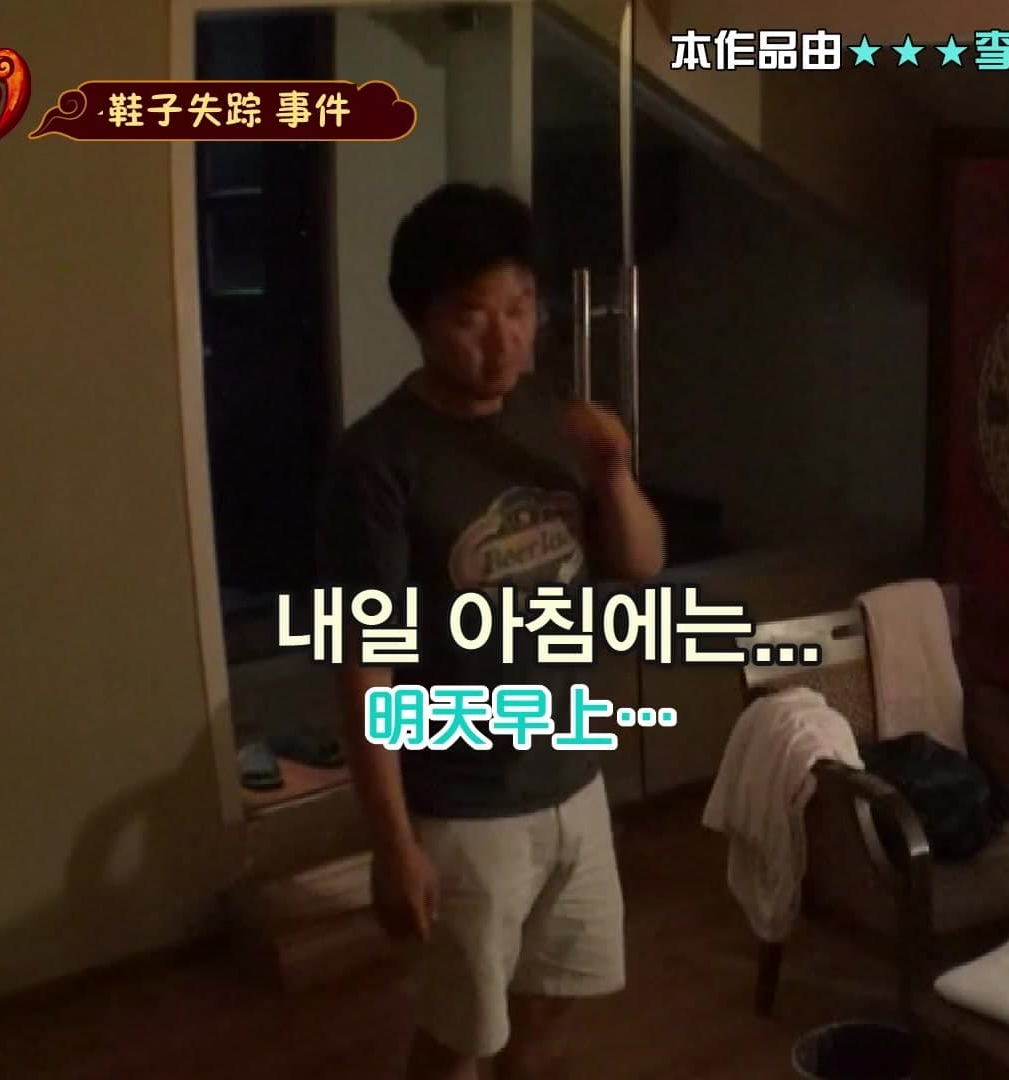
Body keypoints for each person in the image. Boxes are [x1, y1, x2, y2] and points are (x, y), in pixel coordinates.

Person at [322, 182, 666, 1080]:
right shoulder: (378, 460)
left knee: (557, 998)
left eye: (520, 307)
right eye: (473, 314)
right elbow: (362, 663)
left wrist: (615, 474)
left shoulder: (552, 419)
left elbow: (640, 564)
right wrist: (392, 843)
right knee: (459, 1033)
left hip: (574, 776)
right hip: (463, 803)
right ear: (418, 318)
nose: (505, 337)